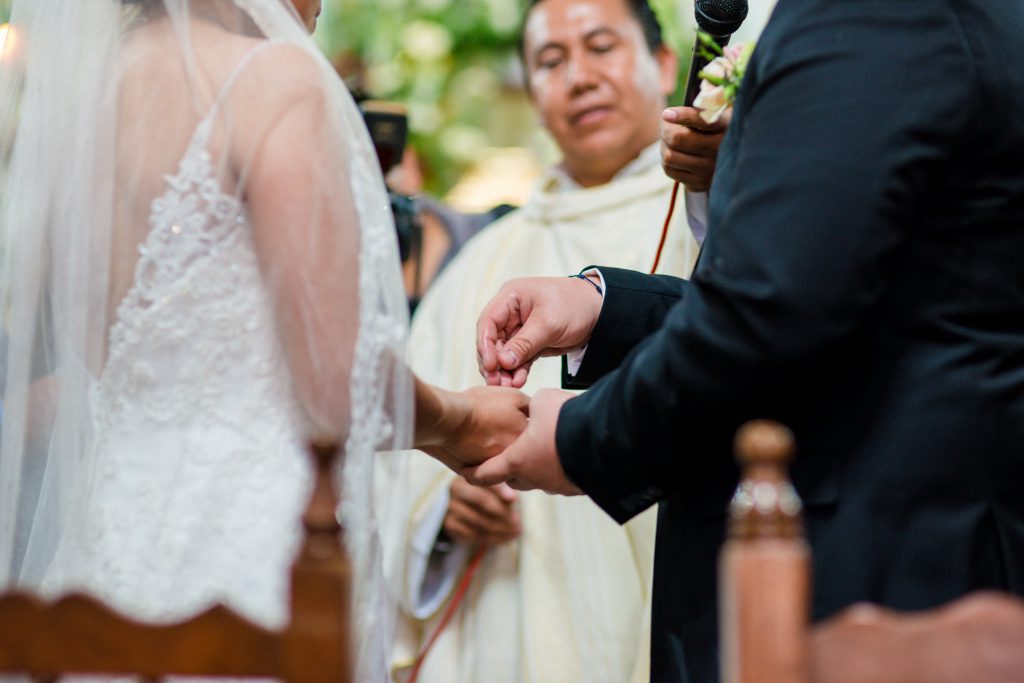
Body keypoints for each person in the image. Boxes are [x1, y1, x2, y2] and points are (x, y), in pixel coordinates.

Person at [465, 1, 1024, 682]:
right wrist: (605, 308)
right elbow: (849, 297)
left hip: (881, 570)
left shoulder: (879, 15)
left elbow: (773, 314)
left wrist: (578, 437)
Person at [0, 1, 525, 681]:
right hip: (255, 556)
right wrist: (460, 418)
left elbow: (85, 346)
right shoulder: (272, 81)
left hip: (107, 544)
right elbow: (339, 387)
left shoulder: (77, 105)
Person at [385, 1, 724, 681]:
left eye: (601, 46)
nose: (579, 76)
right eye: (550, 61)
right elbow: (392, 441)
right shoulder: (488, 260)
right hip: (504, 622)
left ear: (663, 66)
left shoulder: (705, 219)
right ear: (534, 99)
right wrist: (439, 519)